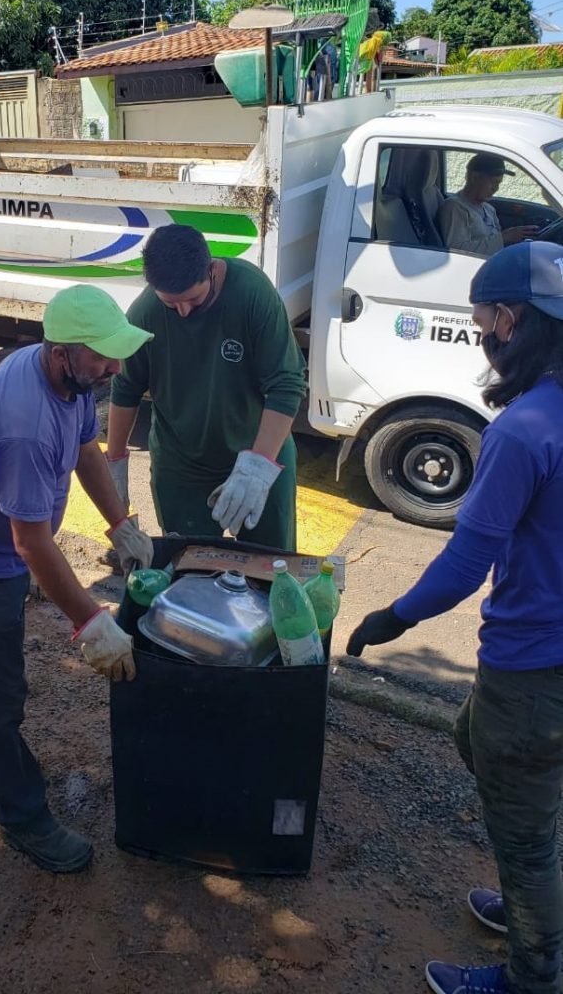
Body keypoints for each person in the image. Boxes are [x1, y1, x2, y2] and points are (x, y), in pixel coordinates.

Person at [346, 241, 563, 994]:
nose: (480, 338)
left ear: (511, 320)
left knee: (523, 828)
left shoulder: (524, 430)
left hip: (534, 663)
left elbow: (466, 564)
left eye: (481, 323)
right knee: (476, 740)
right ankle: (537, 903)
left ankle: (534, 973)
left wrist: (394, 617)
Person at [0, 284, 155, 874]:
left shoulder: (66, 379)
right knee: (0, 695)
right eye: (102, 356)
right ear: (60, 353)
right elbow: (31, 543)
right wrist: (91, 622)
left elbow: (86, 452)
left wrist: (120, 525)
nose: (114, 368)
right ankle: (24, 818)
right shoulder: (24, 423)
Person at [107, 223, 307, 552]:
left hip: (261, 453)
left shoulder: (252, 294)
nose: (183, 312)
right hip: (183, 467)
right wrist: (115, 463)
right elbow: (125, 388)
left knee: (269, 566)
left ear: (211, 270)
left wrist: (257, 469)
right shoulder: (145, 314)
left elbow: (286, 385)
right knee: (189, 564)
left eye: (193, 299)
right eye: (171, 304)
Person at [438, 154, 539, 256]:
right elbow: (456, 252)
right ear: (474, 177)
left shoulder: (489, 209)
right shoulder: (455, 207)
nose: (496, 188)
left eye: (499, 183)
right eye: (493, 182)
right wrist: (504, 238)